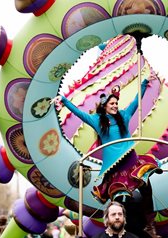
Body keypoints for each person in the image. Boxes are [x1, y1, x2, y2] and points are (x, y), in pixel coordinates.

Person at [52, 72, 162, 237]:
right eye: (112, 103)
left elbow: (136, 101)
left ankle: (149, 224)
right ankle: (115, 231)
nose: (115, 105)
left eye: (116, 103)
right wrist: (64, 100)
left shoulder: (123, 116)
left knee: (146, 188)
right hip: (115, 167)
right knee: (119, 200)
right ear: (104, 106)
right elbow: (79, 113)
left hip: (131, 161)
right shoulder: (97, 120)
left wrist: (145, 82)